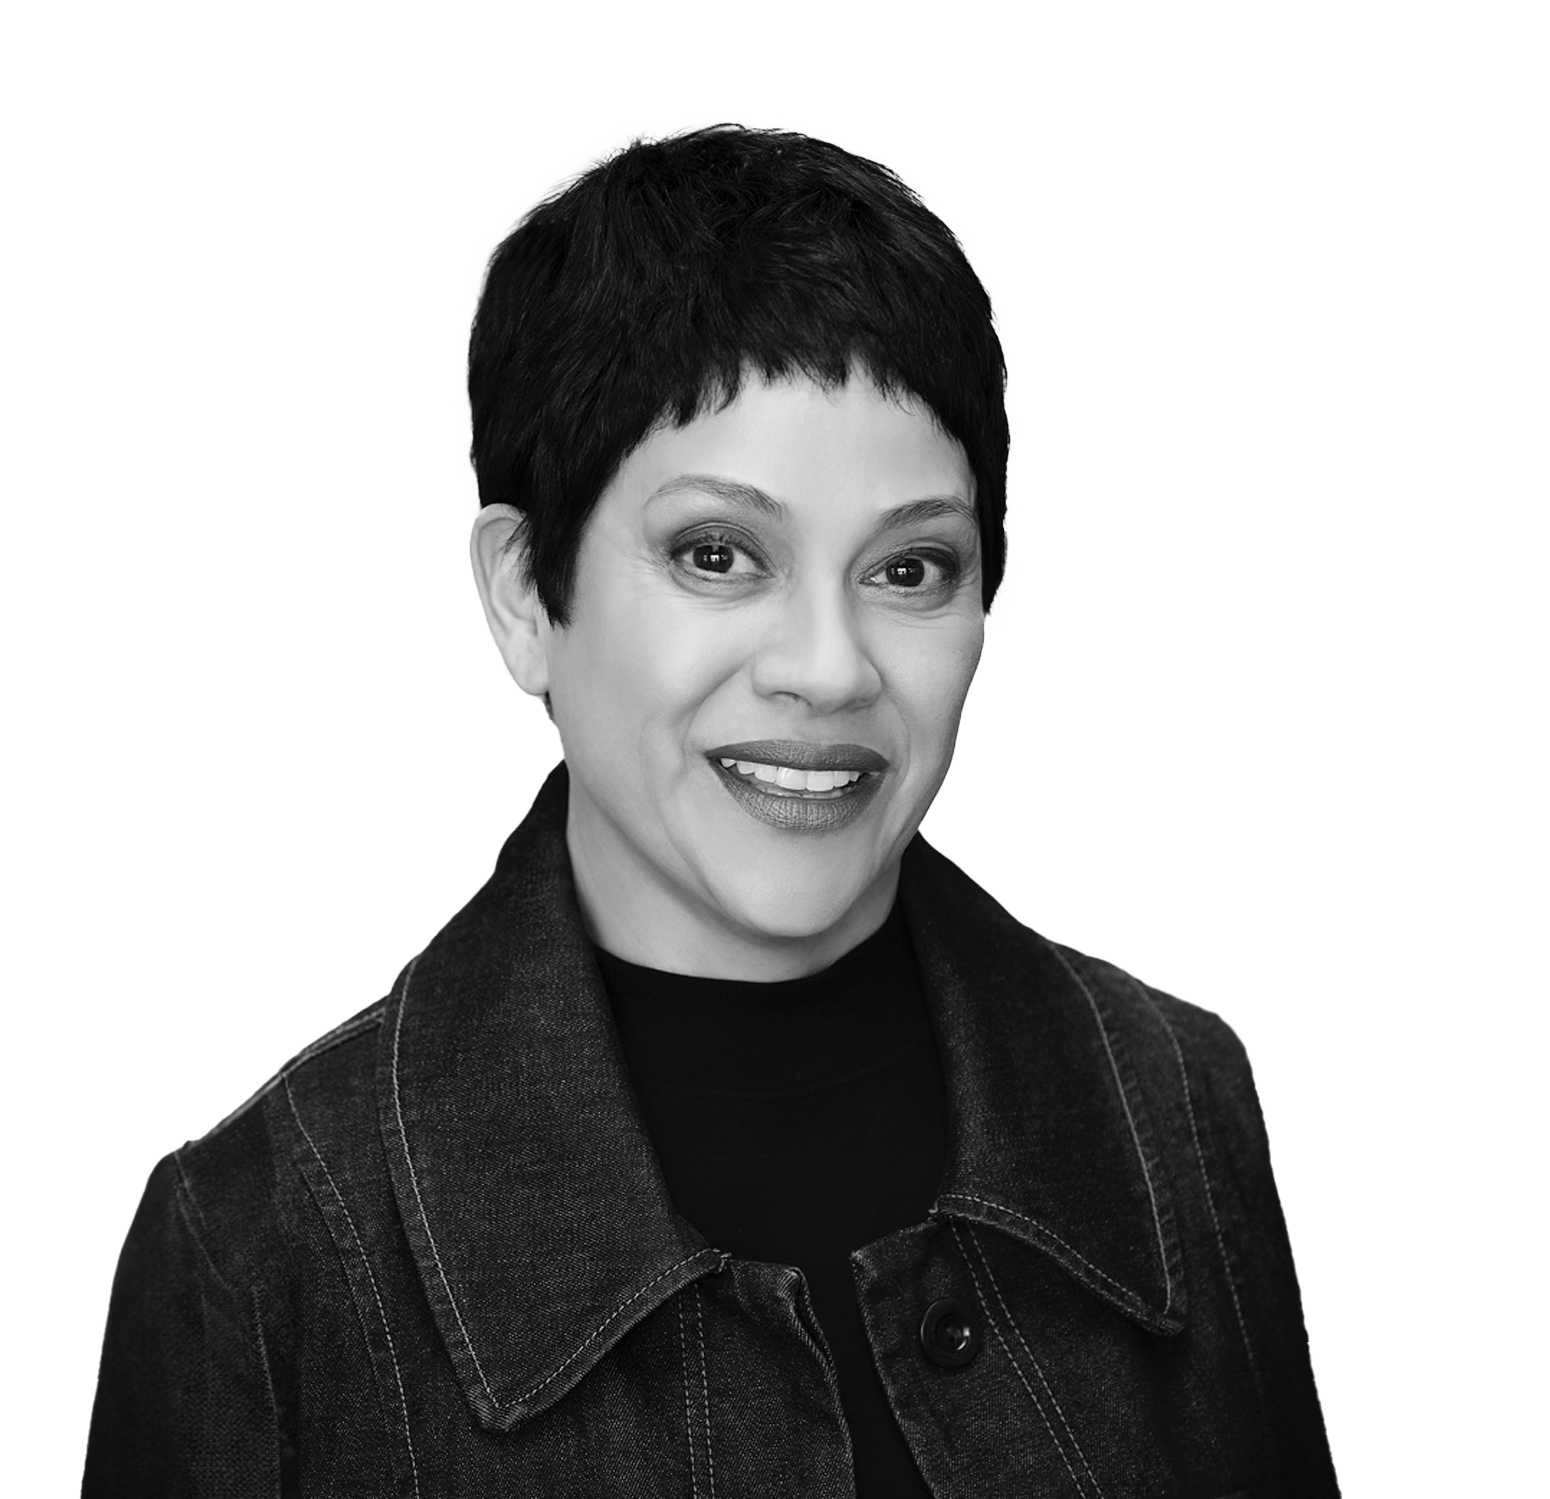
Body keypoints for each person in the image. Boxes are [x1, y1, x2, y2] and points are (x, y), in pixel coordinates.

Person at [81, 122, 1337, 1497]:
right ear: (523, 591)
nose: (829, 669)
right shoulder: (260, 1254)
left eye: (909, 568)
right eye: (718, 553)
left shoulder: (1178, 1106)